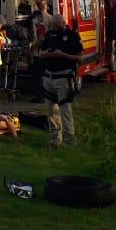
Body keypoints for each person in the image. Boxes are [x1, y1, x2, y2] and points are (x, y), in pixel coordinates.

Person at [40, 14, 84, 147]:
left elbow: (80, 58)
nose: (54, 27)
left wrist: (62, 55)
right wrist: (49, 54)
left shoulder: (73, 36)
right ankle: (54, 141)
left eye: (56, 24)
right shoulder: (49, 34)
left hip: (63, 78)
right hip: (49, 77)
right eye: (52, 24)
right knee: (51, 112)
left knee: (65, 111)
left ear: (63, 22)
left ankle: (69, 142)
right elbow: (41, 54)